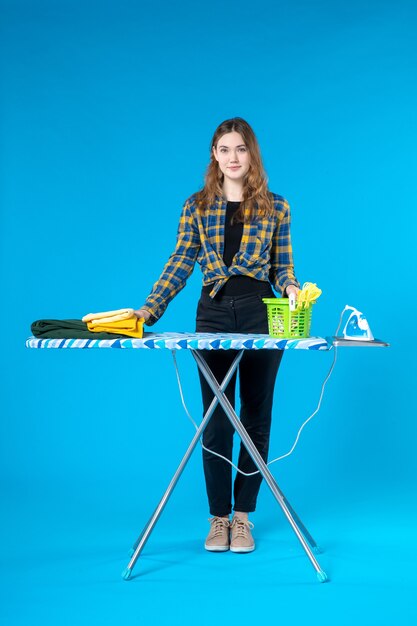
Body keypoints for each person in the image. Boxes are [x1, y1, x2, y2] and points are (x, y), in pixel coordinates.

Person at [134, 117, 300, 553]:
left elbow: (282, 266)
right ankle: (218, 518)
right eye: (224, 149)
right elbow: (179, 263)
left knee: (256, 414)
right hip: (212, 312)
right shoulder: (196, 206)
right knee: (216, 417)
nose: (233, 158)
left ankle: (244, 517)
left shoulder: (277, 207)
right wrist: (149, 309)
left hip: (261, 311)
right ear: (214, 154)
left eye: (241, 149)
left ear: (252, 155)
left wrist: (292, 287)